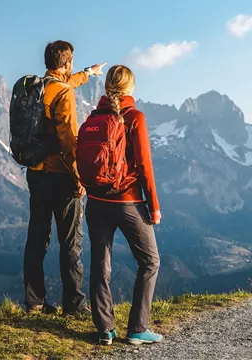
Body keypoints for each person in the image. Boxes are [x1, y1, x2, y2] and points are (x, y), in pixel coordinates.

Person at [24, 40, 106, 316]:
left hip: (35, 172)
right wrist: (79, 178)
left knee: (37, 236)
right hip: (61, 175)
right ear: (66, 63)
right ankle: (74, 303)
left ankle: (34, 301)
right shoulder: (64, 94)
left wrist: (89, 72)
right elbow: (69, 140)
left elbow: (68, 81)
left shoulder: (38, 87)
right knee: (71, 242)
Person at [85, 65, 162, 345]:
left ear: (107, 86)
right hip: (128, 202)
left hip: (94, 202)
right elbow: (144, 166)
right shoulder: (135, 117)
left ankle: (105, 329)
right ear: (131, 88)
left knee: (99, 265)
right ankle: (138, 328)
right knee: (150, 261)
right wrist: (153, 206)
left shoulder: (94, 117)